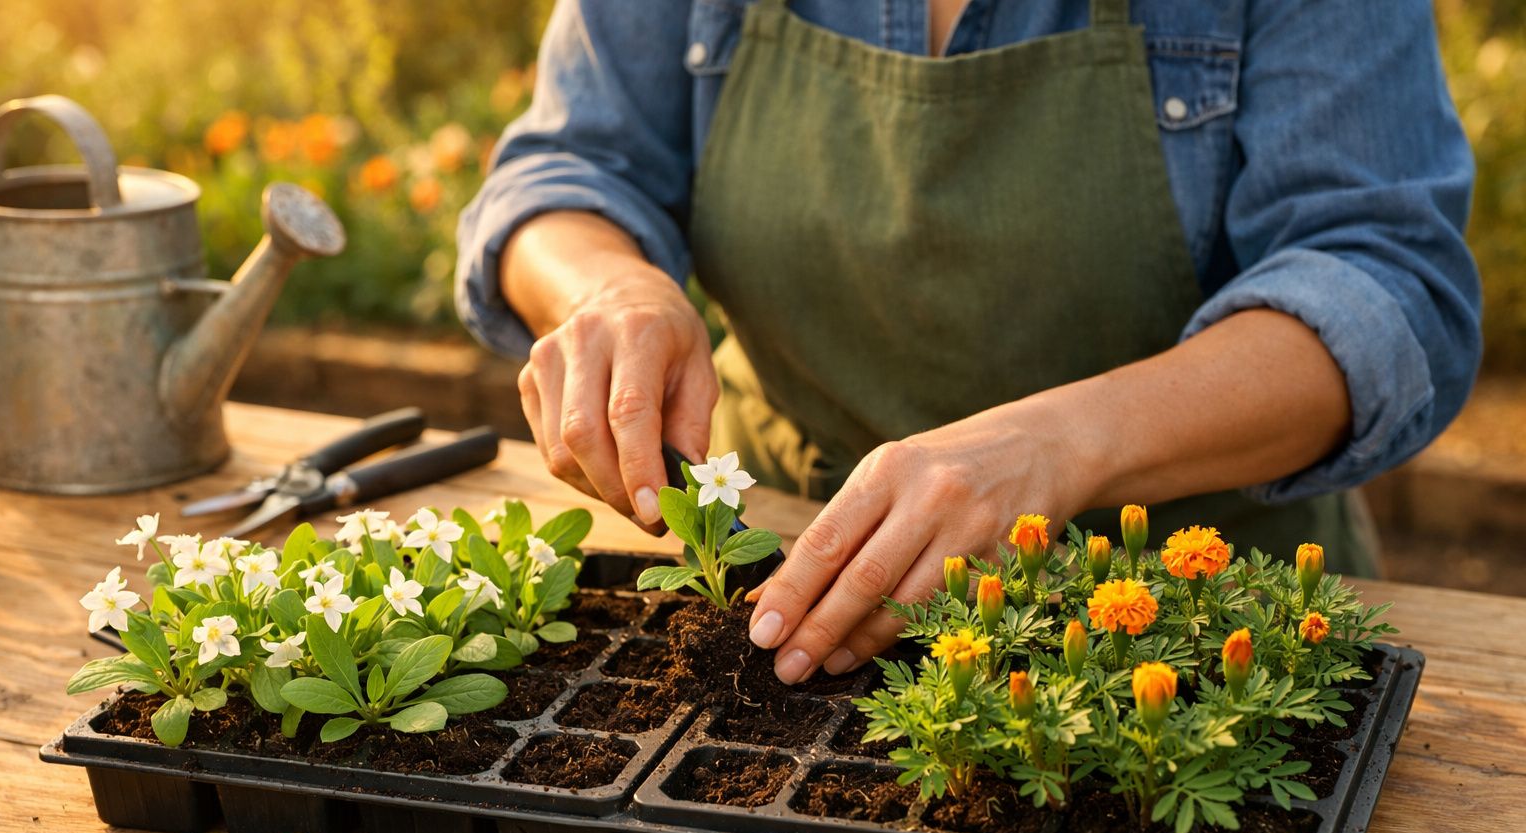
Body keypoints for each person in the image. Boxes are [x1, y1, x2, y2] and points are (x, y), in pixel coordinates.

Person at [456, 0, 1480, 686]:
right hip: (794, 575)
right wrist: (613, 285)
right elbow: (570, 167)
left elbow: (1388, 284)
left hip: (1188, 621)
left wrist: (1059, 445)